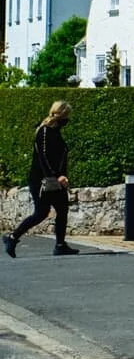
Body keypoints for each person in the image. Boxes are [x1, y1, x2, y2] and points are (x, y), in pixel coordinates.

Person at [4, 101, 77, 257]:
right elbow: (43, 157)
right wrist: (57, 176)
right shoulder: (44, 131)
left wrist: (62, 176)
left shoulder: (56, 131)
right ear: (61, 115)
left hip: (56, 180)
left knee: (62, 209)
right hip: (42, 180)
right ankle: (12, 237)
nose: (68, 119)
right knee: (41, 212)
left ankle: (60, 244)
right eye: (67, 116)